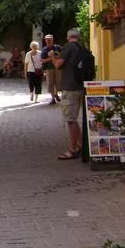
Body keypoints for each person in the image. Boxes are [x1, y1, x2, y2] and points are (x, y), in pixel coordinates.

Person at [51, 28, 85, 160]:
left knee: (71, 119)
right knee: (74, 118)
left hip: (70, 87)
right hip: (81, 86)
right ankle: (81, 145)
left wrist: (52, 57)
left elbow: (58, 64)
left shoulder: (68, 46)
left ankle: (72, 149)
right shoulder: (82, 48)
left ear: (68, 37)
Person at [41, 34, 62, 105]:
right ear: (45, 40)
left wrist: (58, 55)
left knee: (58, 83)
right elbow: (42, 60)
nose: (49, 40)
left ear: (52, 39)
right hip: (49, 68)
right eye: (47, 39)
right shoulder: (44, 49)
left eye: (50, 39)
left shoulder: (58, 47)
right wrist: (50, 58)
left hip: (58, 68)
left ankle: (56, 94)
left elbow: (63, 55)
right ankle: (52, 98)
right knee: (50, 84)